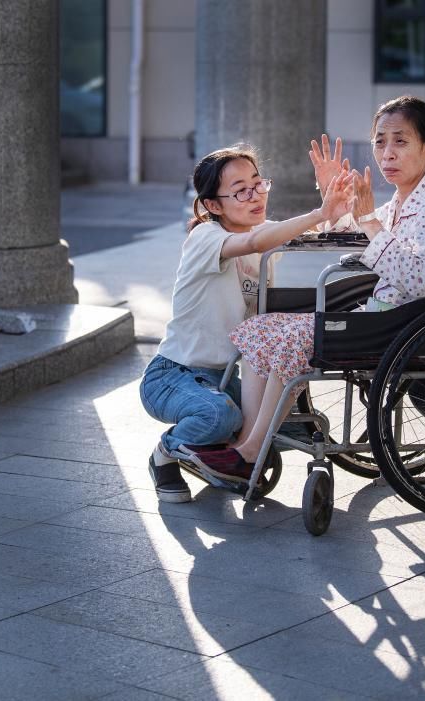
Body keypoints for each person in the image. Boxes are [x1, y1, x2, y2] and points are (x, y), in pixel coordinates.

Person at [190, 96, 425, 477]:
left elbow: (421, 279)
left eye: (400, 141)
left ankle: (252, 451)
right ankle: (246, 444)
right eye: (380, 141)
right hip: (381, 316)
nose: (386, 153)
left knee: (293, 337)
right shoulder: (402, 202)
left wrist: (369, 219)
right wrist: (333, 205)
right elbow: (358, 237)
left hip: (410, 324)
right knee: (259, 329)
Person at [140, 144, 355, 503]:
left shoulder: (267, 234)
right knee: (219, 416)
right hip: (172, 376)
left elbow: (334, 236)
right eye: (241, 190)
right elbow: (255, 240)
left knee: (293, 426)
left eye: (259, 184)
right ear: (213, 205)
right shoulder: (205, 237)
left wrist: (330, 195)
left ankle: (228, 458)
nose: (255, 196)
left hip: (223, 380)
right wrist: (319, 212)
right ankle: (165, 454)